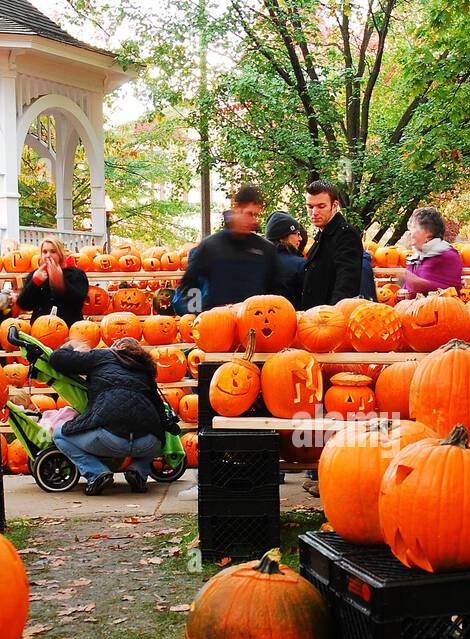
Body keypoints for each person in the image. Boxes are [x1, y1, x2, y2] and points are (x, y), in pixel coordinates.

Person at [49, 336, 167, 496]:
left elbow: (57, 359)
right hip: (147, 443)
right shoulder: (144, 368)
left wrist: (71, 344)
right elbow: (161, 414)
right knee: (159, 433)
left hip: (109, 438)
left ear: (115, 348)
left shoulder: (103, 356)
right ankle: (139, 471)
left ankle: (96, 473)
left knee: (59, 434)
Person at [172, 185, 279, 314]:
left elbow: (275, 291)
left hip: (254, 321)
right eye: (249, 214)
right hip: (218, 322)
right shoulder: (210, 246)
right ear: (237, 208)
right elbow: (189, 287)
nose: (252, 220)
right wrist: (198, 314)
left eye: (256, 215)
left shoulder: (265, 250)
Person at [301, 180, 363, 309]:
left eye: (321, 206)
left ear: (334, 205)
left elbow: (347, 282)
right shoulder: (321, 235)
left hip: (329, 319)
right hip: (313, 317)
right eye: (310, 207)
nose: (314, 212)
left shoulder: (346, 235)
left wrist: (332, 315)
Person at [16, 238, 89, 325]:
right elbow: (24, 304)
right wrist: (35, 283)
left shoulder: (76, 274)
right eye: (45, 252)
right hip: (40, 329)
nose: (48, 255)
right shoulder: (35, 274)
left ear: (60, 254)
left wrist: (60, 282)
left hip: (69, 328)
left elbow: (78, 303)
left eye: (53, 251)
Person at [401, 206, 463, 295]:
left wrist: (412, 280)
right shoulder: (416, 258)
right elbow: (407, 290)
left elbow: (448, 292)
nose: (410, 232)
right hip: (412, 308)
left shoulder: (447, 256)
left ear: (428, 232)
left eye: (414, 227)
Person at [265, 211, 308, 308]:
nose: (300, 238)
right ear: (282, 237)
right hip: (293, 319)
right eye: (297, 234)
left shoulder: (256, 262)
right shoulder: (300, 265)